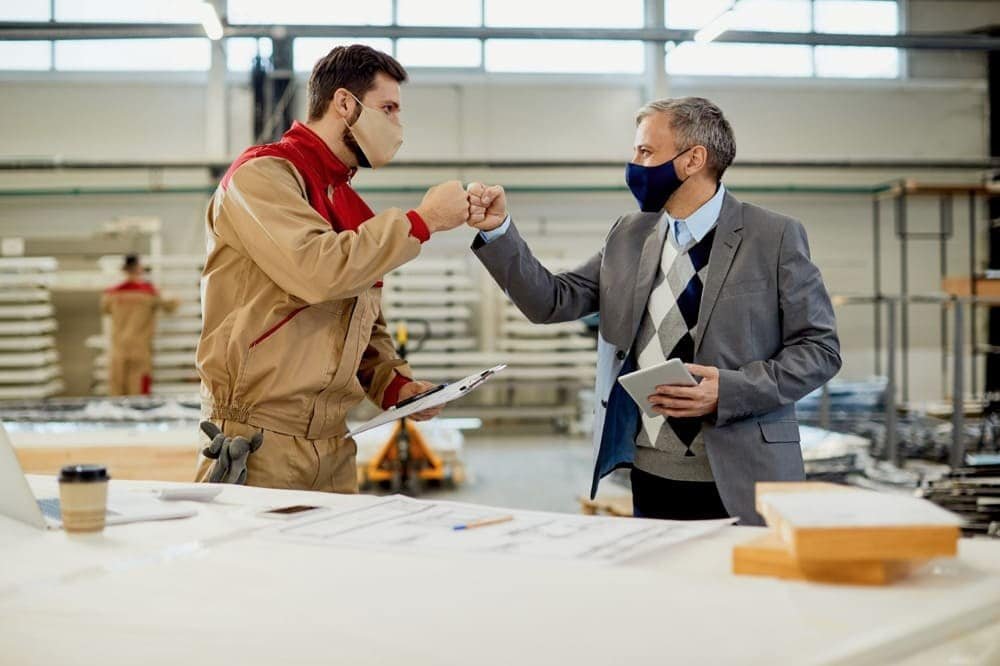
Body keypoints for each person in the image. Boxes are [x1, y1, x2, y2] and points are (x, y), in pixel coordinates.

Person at [467, 97, 841, 525]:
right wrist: (498, 232)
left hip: (747, 473)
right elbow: (552, 300)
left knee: (745, 592)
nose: (634, 164)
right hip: (651, 473)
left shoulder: (773, 236)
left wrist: (729, 390)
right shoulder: (630, 234)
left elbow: (820, 349)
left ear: (693, 159)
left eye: (645, 152)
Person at [194, 45, 470, 492]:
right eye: (388, 108)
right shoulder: (262, 177)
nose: (397, 126)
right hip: (260, 438)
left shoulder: (347, 202)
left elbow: (357, 319)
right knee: (259, 563)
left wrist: (394, 386)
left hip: (333, 442)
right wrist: (424, 221)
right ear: (345, 103)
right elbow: (318, 272)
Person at [101, 254, 179, 397]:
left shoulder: (111, 294)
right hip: (140, 349)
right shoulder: (149, 292)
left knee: (117, 392)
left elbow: (105, 309)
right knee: (139, 394)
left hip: (118, 349)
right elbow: (172, 305)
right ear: (139, 269)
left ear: (124, 269)